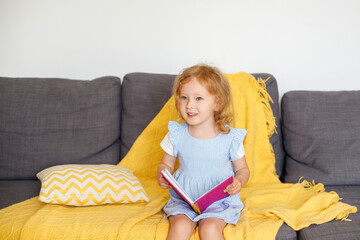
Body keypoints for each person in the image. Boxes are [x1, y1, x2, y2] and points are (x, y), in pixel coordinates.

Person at [157, 64, 250, 240]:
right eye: (184, 97)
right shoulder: (176, 134)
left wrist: (239, 181)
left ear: (217, 102)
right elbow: (165, 164)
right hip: (184, 200)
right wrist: (163, 174)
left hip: (219, 201)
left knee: (210, 229)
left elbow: (243, 170)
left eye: (198, 98)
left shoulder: (230, 138)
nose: (189, 105)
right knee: (180, 227)